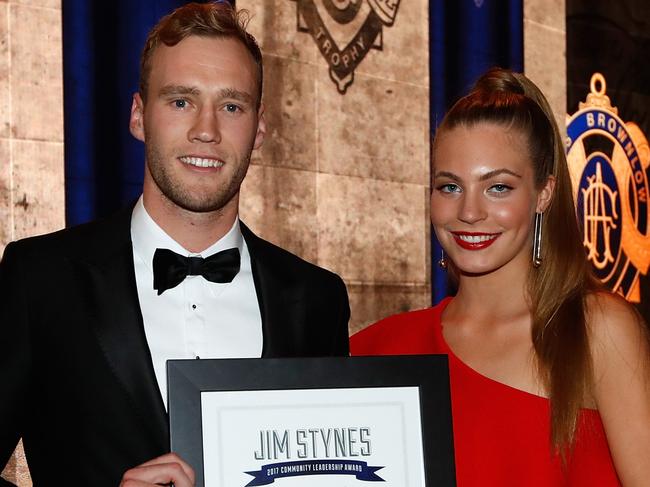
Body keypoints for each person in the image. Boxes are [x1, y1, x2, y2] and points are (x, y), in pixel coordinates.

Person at [0, 3, 350, 486]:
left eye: (231, 106)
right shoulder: (39, 277)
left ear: (260, 128)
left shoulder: (317, 299)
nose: (206, 130)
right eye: (181, 101)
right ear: (139, 116)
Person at [351, 68, 650, 486]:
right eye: (449, 187)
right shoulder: (377, 352)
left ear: (543, 193)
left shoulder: (597, 331)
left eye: (498, 188)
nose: (469, 212)